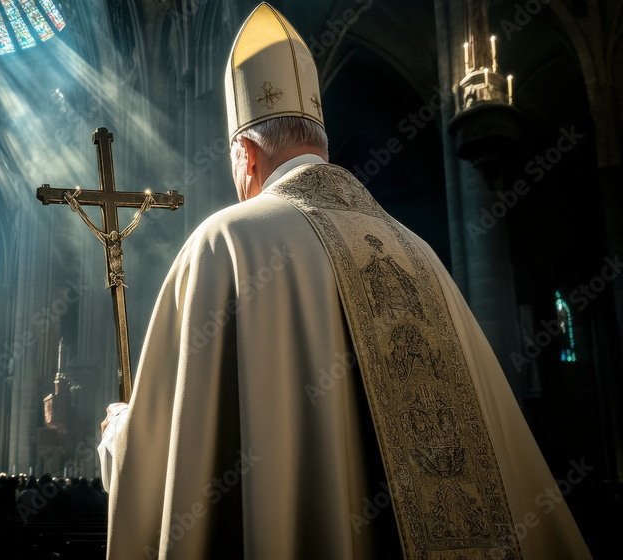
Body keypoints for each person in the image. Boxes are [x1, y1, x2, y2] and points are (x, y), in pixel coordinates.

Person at [98, 3, 592, 559]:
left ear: (245, 154)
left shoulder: (226, 245)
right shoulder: (421, 256)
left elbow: (169, 478)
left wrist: (120, 439)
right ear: (320, 144)